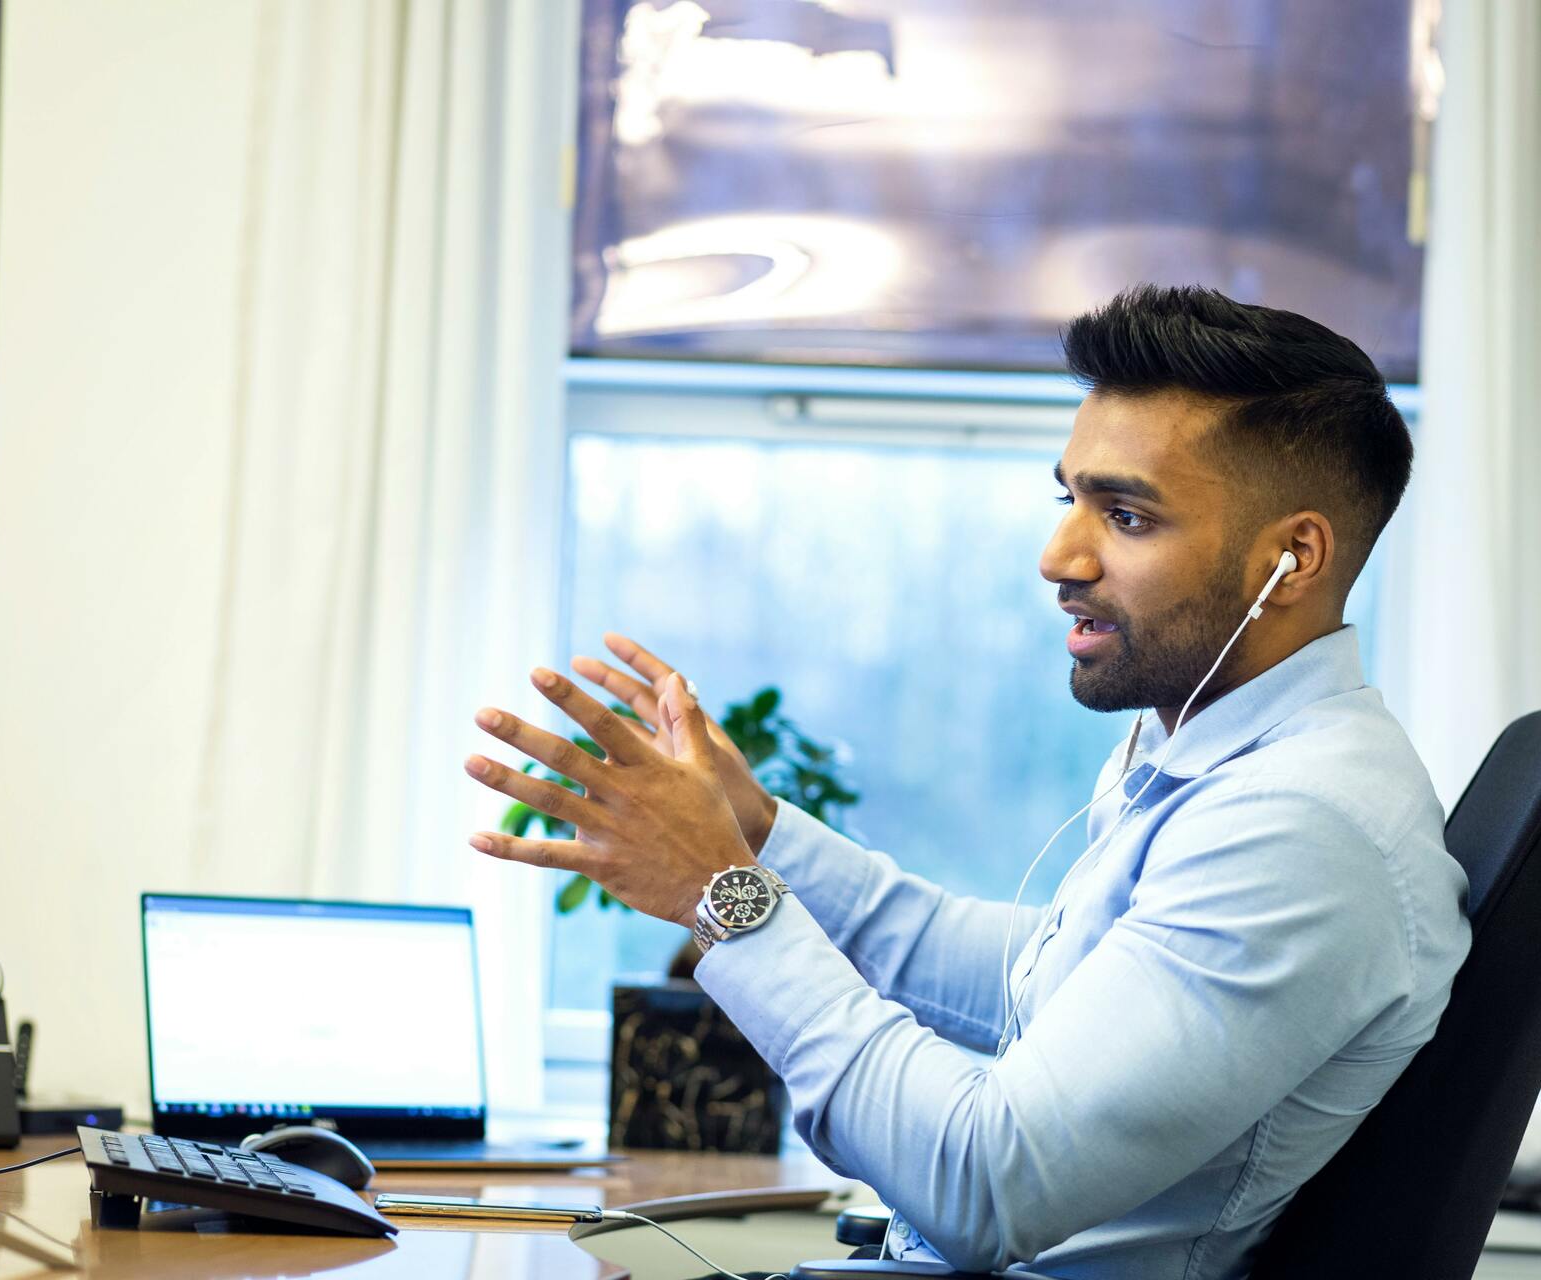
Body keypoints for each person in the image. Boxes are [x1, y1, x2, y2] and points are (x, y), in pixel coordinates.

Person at [461, 285, 1472, 1278]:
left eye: (1126, 516)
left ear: (1293, 557)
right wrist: (762, 835)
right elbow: (1035, 979)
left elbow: (985, 1183)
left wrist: (717, 892)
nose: (1058, 557)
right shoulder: (1227, 758)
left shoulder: (1301, 830)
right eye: (1070, 500)